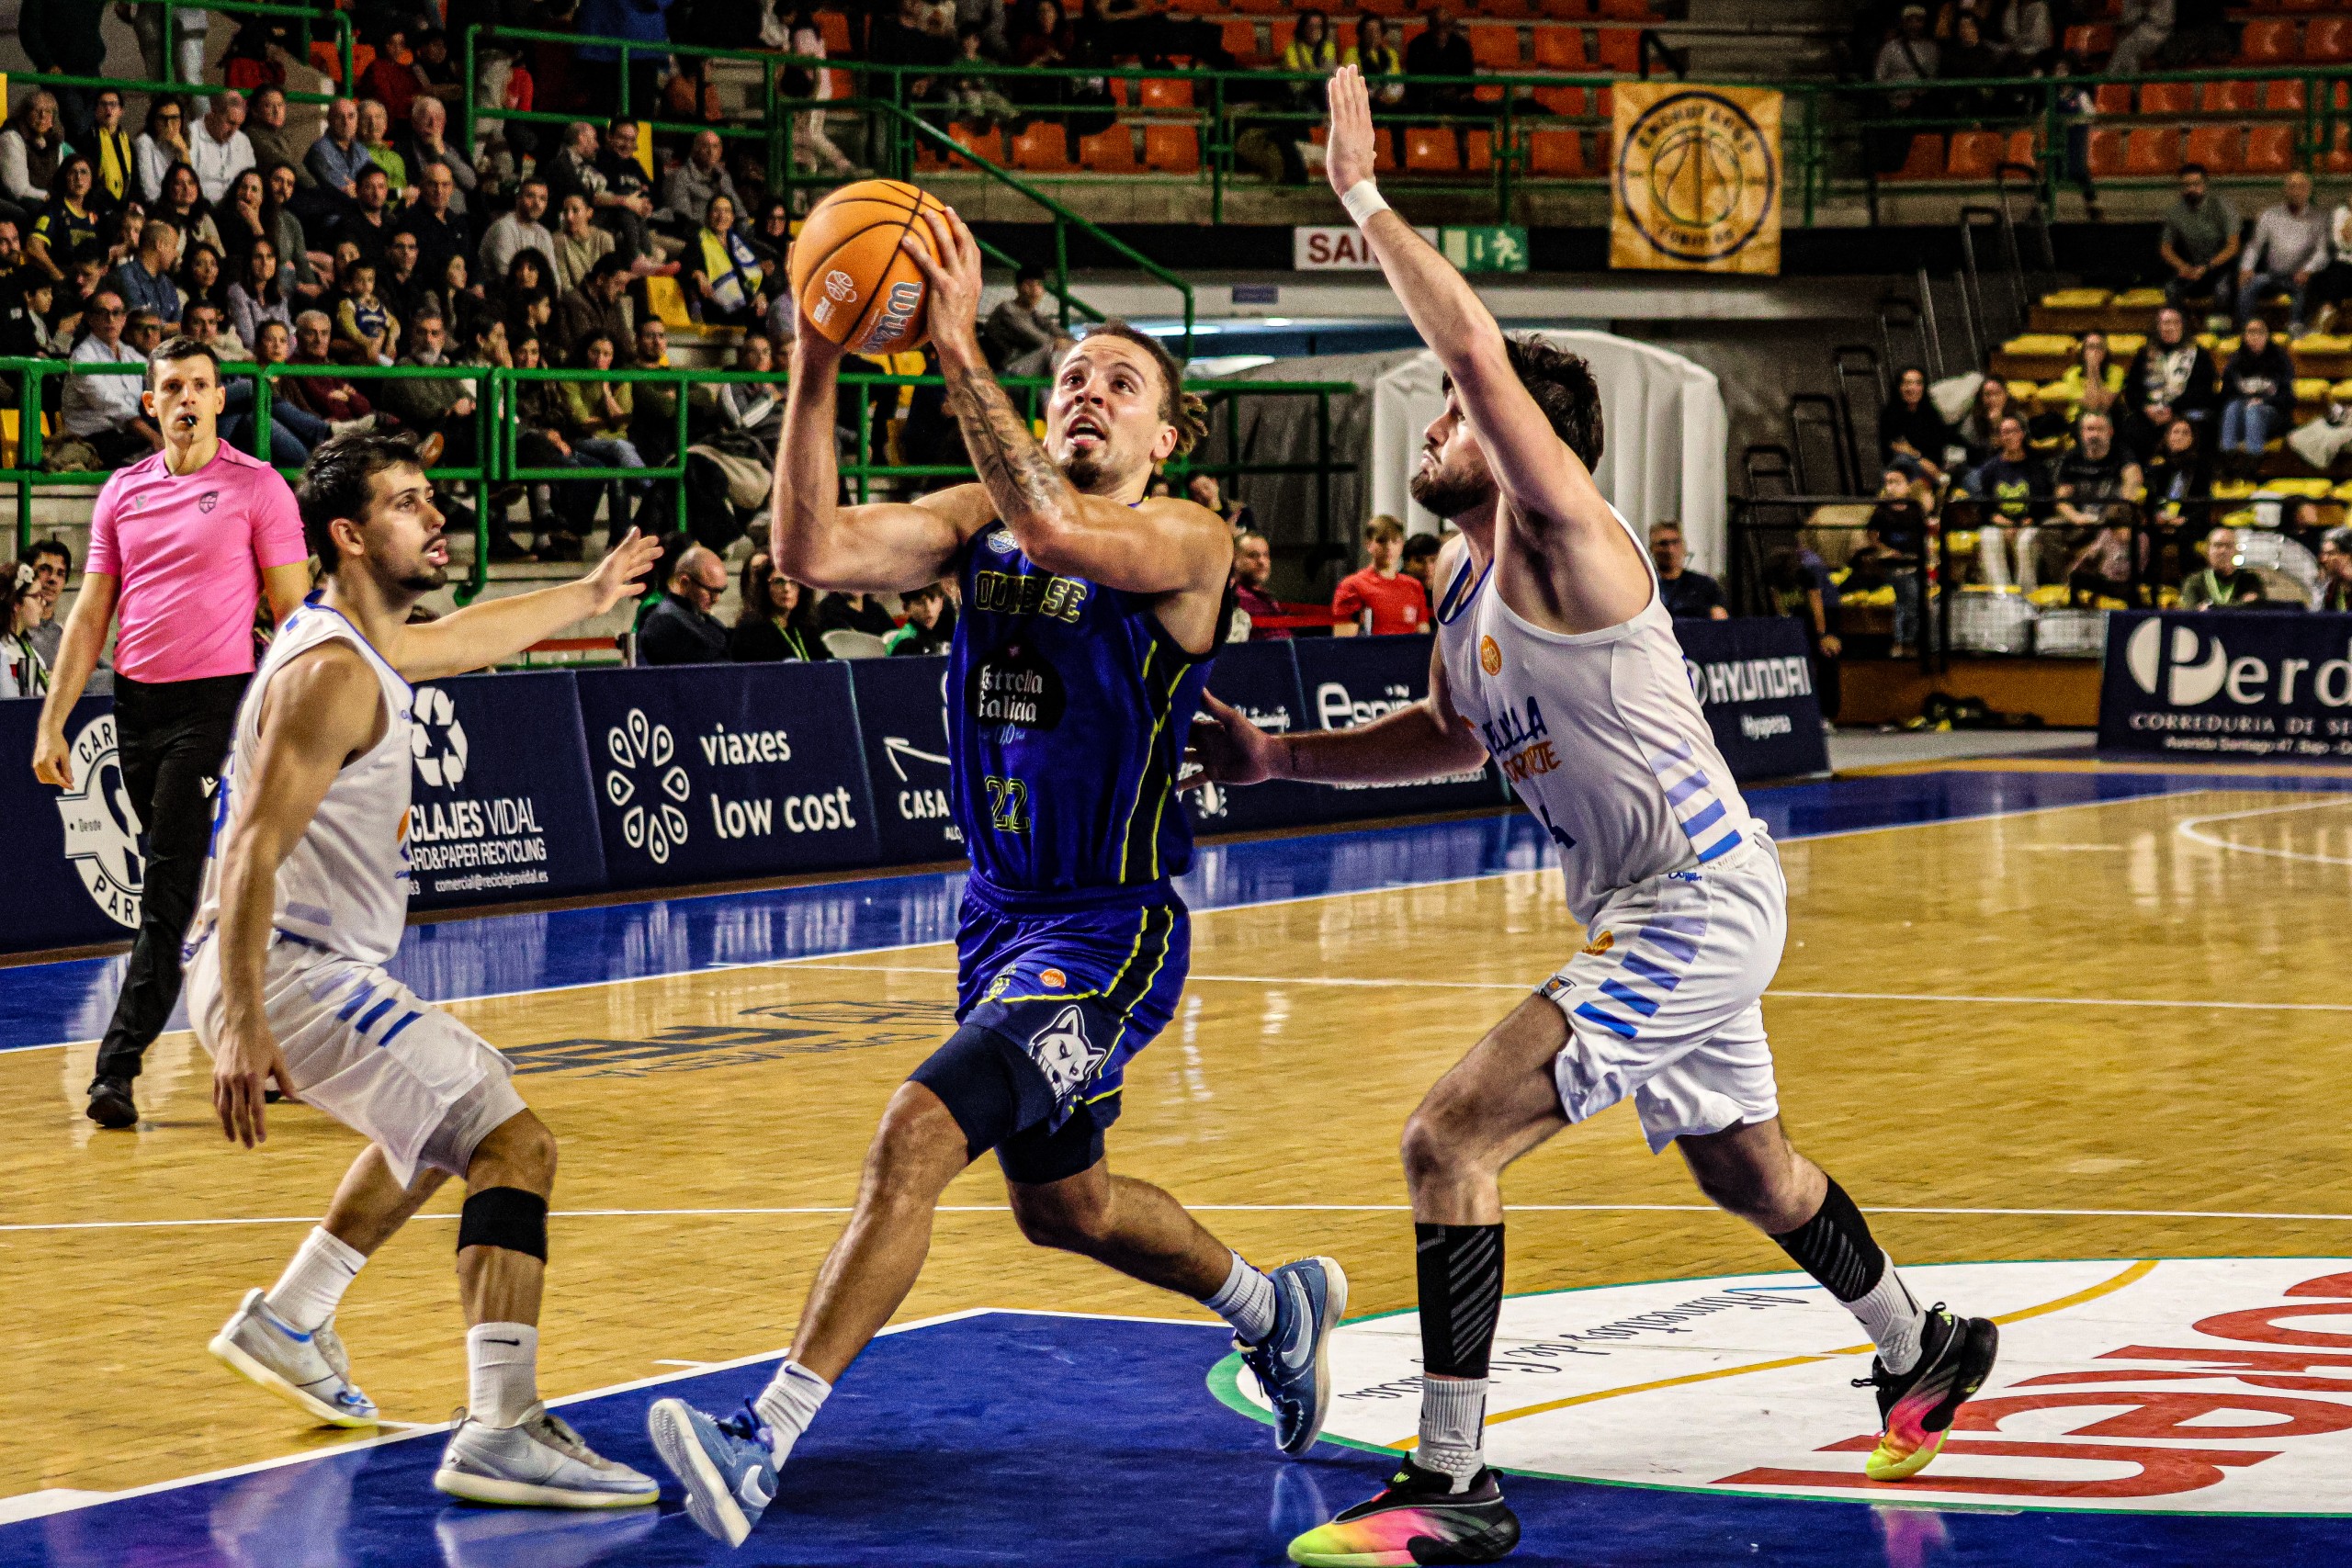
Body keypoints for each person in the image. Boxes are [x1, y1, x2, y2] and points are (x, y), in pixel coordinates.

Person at [1193, 76, 1998, 1562]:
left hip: (1696, 896)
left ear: (1520, 441)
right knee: (1745, 1166)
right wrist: (1276, 756)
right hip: (1662, 899)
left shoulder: (1567, 539)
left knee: (1449, 1137)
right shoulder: (1459, 590)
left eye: (1454, 413)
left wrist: (1362, 196)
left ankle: (1453, 1478)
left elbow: (1473, 348)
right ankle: (1923, 1338)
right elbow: (1447, 734)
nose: (1435, 424)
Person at [644, 206, 1342, 1551]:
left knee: (914, 1131)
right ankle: (1274, 1307)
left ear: (1166, 438)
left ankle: (761, 1437)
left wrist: (959, 346)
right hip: (997, 920)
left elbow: (1064, 530)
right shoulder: (981, 525)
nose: (1087, 392)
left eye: (1120, 383)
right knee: (1065, 1205)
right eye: (1071, 374)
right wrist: (817, 356)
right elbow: (807, 553)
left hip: (1111, 930)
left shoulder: (1187, 540)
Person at [188, 431, 663, 1506]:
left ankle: (291, 1318)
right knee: (513, 1144)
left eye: (430, 495)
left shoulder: (361, 647)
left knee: (444, 1116)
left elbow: (464, 638)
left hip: (295, 962)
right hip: (285, 967)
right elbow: (251, 850)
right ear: (350, 536)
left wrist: (589, 594)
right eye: (407, 502)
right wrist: (246, 1023)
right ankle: (500, 1425)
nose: (436, 514)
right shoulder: (329, 674)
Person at [31, 336, 314, 1130]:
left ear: (220, 399)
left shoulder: (258, 488)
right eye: (172, 387)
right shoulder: (122, 490)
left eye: (199, 385)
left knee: (166, 888)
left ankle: (116, 1066)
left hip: (216, 709)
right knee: (206, 893)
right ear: (150, 403)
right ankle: (265, 1041)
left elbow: (295, 615)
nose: (186, 397)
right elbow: (91, 613)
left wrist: (307, 717)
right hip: (136, 709)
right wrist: (53, 721)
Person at [61, 288, 158, 465]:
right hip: (93, 439)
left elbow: (159, 379)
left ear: (124, 318)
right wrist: (154, 437)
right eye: (102, 313)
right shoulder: (83, 358)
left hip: (126, 435)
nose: (110, 319)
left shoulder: (130, 355)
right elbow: (111, 405)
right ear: (90, 319)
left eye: (116, 313)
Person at [2121, 304, 2217, 461]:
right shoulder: (2144, 354)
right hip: (2150, 415)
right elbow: (2132, 391)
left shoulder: (2198, 354)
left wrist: (2172, 409)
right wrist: (2147, 408)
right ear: (2158, 327)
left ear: (2183, 326)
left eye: (2175, 322)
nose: (2170, 327)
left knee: (2195, 429)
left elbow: (2204, 392)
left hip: (2184, 412)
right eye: (2166, 323)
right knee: (2131, 429)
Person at [2239, 171, 2328, 337]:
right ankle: (2246, 331)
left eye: (2301, 187)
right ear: (2285, 190)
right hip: (2272, 275)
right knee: (2248, 285)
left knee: (2309, 289)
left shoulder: (2319, 218)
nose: (2296, 192)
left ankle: (2296, 330)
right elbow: (2254, 246)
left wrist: (2307, 270)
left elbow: (2322, 252)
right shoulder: (2270, 215)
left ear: (2309, 190)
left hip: (2300, 278)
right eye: (2292, 187)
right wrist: (2246, 268)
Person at [2217, 315, 2296, 476]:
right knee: (2232, 407)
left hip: (2273, 415)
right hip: (2242, 416)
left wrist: (2263, 400)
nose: (2255, 337)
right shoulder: (2235, 361)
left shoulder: (2280, 360)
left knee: (2254, 410)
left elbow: (2288, 399)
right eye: (2250, 332)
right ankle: (2227, 460)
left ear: (2267, 335)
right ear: (2244, 336)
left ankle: (2253, 463)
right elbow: (2225, 396)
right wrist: (2244, 400)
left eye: (2260, 332)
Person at [1332, 514, 1432, 635]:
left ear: (1402, 545)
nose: (1388, 547)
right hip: (1371, 647)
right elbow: (1344, 639)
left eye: (1395, 541)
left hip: (1409, 647)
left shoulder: (1414, 586)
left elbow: (1423, 633)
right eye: (1381, 541)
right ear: (1368, 544)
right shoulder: (1352, 586)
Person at [639, 543, 730, 663]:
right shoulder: (665, 621)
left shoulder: (695, 616)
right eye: (710, 591)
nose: (716, 599)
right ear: (684, 583)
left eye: (721, 591)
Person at [729, 551, 830, 661]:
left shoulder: (805, 627)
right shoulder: (750, 630)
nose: (787, 589)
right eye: (778, 582)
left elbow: (827, 662)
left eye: (793, 582)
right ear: (765, 587)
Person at [686, 194, 766, 327]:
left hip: (746, 309)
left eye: (727, 211)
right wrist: (698, 274)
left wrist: (760, 294)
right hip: (716, 309)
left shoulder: (739, 243)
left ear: (733, 218)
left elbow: (753, 276)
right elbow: (686, 267)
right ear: (708, 216)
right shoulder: (698, 240)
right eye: (716, 210)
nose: (721, 216)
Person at [1879, 364, 1953, 483]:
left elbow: (1940, 447)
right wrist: (1920, 459)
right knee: (1904, 461)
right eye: (1908, 383)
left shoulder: (1931, 414)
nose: (1913, 388)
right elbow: (1899, 449)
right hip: (1903, 469)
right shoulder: (1890, 415)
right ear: (1899, 387)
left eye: (1918, 383)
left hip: (1933, 469)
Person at [984, 264, 1061, 377]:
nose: (1035, 290)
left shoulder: (1034, 314)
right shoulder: (1007, 310)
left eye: (1039, 285)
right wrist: (1058, 343)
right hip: (1004, 371)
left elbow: (1055, 330)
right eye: (1029, 284)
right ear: (1019, 287)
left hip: (1022, 368)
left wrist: (1071, 342)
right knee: (1051, 350)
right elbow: (1041, 340)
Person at [1403, 6, 1476, 116]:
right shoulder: (1417, 45)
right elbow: (1413, 79)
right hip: (1425, 100)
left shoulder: (1462, 46)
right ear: (1430, 25)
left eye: (1446, 24)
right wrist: (1434, 93)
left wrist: (1456, 92)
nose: (1441, 29)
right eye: (1436, 24)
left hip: (1456, 99)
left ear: (1452, 26)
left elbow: (1469, 80)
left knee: (1478, 109)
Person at [1649, 520, 1728, 620]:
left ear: (1684, 547)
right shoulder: (1645, 586)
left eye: (1675, 542)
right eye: (1663, 544)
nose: (1670, 550)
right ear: (1652, 549)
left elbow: (1720, 617)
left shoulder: (1705, 586)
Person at [481, 176, 555, 282]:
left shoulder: (544, 233)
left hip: (533, 290)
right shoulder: (504, 227)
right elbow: (507, 276)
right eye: (530, 196)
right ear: (518, 199)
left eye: (542, 199)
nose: (537, 203)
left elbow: (553, 276)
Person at [191, 91, 257, 209]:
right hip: (200, 207)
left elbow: (250, 178)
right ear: (213, 113)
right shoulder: (191, 135)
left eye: (238, 125)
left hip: (235, 208)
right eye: (230, 123)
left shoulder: (242, 141)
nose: (233, 131)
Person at [2177, 525, 2266, 609]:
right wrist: (2240, 604)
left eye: (2229, 546)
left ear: (2237, 551)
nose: (2223, 551)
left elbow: (2256, 608)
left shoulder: (2250, 581)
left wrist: (2211, 608)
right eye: (2218, 545)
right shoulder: (2194, 582)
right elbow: (2190, 613)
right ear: (2207, 550)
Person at [306, 99, 372, 202]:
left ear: (357, 120)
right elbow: (339, 191)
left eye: (351, 116)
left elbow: (374, 183)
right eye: (339, 117)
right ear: (329, 120)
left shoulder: (362, 151)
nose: (346, 122)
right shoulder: (319, 151)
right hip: (333, 209)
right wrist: (363, 189)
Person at [2, 558, 51, 697]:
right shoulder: (3, 651)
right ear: (16, 604)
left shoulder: (30, 650)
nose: (43, 602)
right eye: (36, 596)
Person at [1230, 526, 1286, 638]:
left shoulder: (1266, 598)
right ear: (1234, 558)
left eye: (1266, 555)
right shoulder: (1234, 599)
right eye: (1252, 555)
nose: (1261, 561)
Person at [2054, 330, 2124, 418]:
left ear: (2106, 352)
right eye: (2091, 347)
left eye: (2100, 347)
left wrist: (2095, 370)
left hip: (2108, 418)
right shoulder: (2072, 373)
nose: (2095, 351)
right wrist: (2092, 368)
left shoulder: (2116, 371)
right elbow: (2092, 405)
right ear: (2083, 352)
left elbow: (2105, 405)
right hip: (2079, 418)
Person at [243, 86, 307, 183]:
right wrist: (316, 188)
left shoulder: (279, 134)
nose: (277, 111)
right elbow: (288, 166)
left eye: (280, 105)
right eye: (268, 106)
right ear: (255, 111)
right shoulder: (253, 136)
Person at [1344, 16, 1407, 107]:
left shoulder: (1391, 53)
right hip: (1362, 101)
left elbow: (1395, 80)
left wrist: (1388, 95)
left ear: (1382, 34)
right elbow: (1351, 82)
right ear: (1362, 34)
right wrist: (1373, 94)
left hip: (1388, 100)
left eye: (1377, 31)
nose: (1373, 35)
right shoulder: (1352, 53)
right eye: (1368, 31)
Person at [886, 580, 954, 655]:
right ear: (906, 608)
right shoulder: (906, 643)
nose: (928, 609)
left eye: (933, 601)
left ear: (942, 602)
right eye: (920, 603)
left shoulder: (950, 628)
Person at [2316, 525, 2352, 611]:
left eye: (2331, 554)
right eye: (2323, 553)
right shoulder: (2330, 588)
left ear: (2348, 556)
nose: (2323, 560)